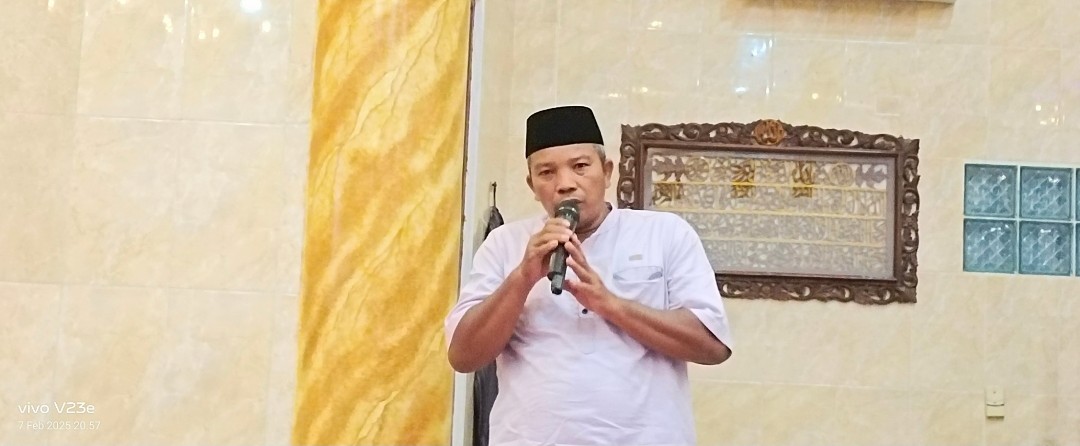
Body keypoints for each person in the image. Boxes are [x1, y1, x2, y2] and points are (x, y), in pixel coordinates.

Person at [444, 105, 733, 446]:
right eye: (547, 173)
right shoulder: (504, 243)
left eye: (580, 166)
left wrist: (610, 305)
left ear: (607, 171)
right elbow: (463, 356)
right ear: (532, 185)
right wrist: (522, 278)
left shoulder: (665, 233)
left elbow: (712, 345)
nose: (565, 184)